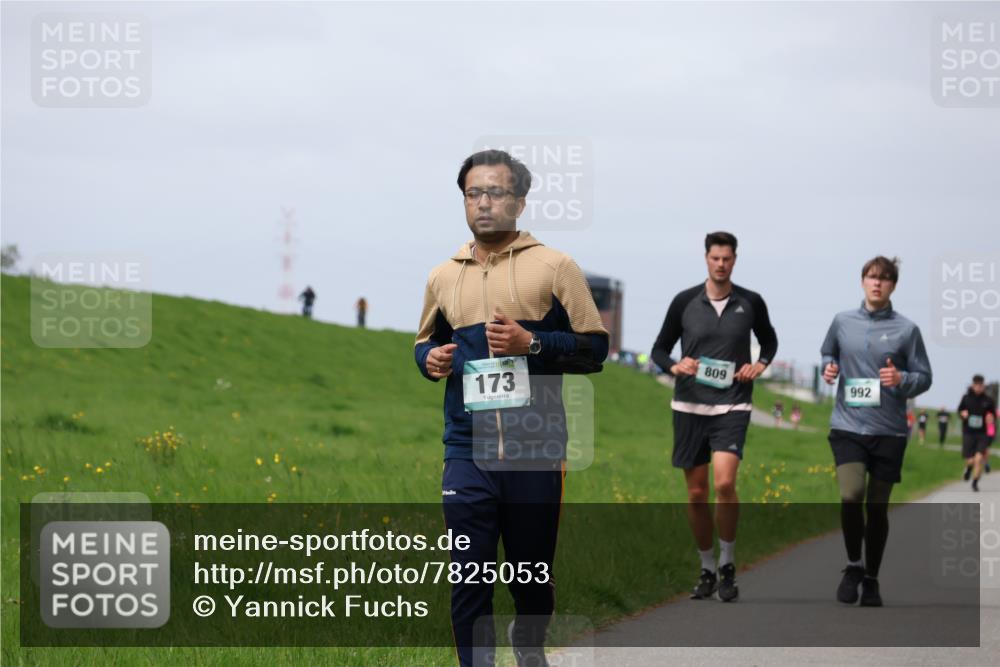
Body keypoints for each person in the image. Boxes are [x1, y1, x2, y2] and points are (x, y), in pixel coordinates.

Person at [414, 150, 608, 667]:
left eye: (496, 193)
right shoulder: (443, 275)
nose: (483, 203)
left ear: (520, 202)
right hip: (466, 451)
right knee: (469, 579)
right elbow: (424, 343)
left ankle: (529, 650)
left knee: (530, 577)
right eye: (473, 193)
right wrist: (428, 359)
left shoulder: (555, 267)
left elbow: (595, 349)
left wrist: (533, 343)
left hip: (535, 452)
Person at [651, 231, 778, 603]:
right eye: (715, 258)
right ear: (706, 259)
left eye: (727, 258)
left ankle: (727, 562)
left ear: (735, 260)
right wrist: (676, 367)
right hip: (690, 406)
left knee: (724, 485)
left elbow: (769, 341)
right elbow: (659, 348)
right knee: (695, 493)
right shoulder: (684, 301)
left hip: (733, 405)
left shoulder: (750, 302)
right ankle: (706, 567)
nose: (721, 264)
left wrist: (760, 365)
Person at [821, 256, 932, 607]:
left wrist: (902, 380)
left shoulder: (907, 329)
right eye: (871, 277)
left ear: (893, 286)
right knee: (851, 494)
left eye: (884, 279)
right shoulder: (842, 322)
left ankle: (871, 578)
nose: (876, 283)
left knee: (878, 507)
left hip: (889, 431)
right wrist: (829, 368)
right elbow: (828, 353)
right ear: (862, 281)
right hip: (848, 425)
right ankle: (853, 564)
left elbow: (925, 377)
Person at [958, 375, 996, 491]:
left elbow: (993, 416)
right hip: (968, 433)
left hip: (982, 434)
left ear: (983, 386)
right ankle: (969, 468)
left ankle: (975, 482)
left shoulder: (988, 401)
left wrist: (991, 418)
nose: (979, 388)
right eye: (976, 385)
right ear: (973, 385)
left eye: (981, 386)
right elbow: (959, 410)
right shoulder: (966, 398)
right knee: (971, 460)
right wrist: (962, 415)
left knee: (979, 459)